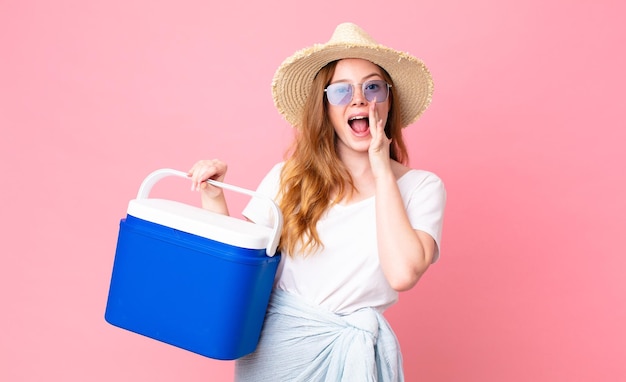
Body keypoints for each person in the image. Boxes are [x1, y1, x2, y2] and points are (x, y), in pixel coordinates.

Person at [188, 22, 446, 381]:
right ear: (324, 109)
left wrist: (382, 170)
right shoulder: (287, 177)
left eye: (372, 87)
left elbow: (402, 273)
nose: (359, 99)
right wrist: (213, 195)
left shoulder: (421, 187)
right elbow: (239, 269)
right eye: (341, 91)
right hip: (277, 353)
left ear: (388, 101)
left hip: (353, 357)